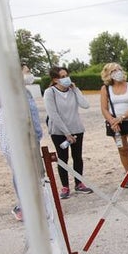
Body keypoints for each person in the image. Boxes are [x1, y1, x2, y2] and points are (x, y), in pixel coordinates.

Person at [0, 66, 43, 221]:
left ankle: (35, 204)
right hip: (16, 143)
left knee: (33, 174)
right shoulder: (4, 92)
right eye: (26, 71)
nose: (29, 74)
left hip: (31, 139)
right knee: (22, 174)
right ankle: (23, 207)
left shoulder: (24, 91)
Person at [43, 66, 92, 200]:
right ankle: (65, 186)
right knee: (62, 158)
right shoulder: (50, 92)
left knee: (77, 157)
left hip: (76, 129)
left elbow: (85, 104)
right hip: (59, 132)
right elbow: (53, 114)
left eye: (66, 75)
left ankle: (79, 183)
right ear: (55, 79)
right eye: (62, 77)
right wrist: (66, 132)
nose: (66, 79)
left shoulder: (72, 91)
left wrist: (75, 89)